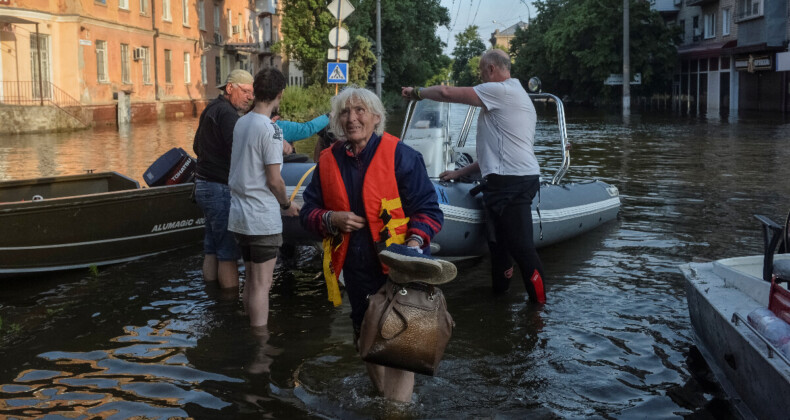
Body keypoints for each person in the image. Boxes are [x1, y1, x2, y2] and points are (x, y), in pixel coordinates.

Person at [299, 86, 443, 402]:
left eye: (360, 110)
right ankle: (382, 399)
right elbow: (308, 213)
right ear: (337, 120)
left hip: (402, 269)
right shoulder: (327, 161)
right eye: (345, 112)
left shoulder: (403, 156)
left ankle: (396, 410)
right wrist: (331, 218)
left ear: (376, 117)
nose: (352, 118)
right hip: (357, 270)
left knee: (400, 349)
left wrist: (415, 243)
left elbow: (430, 211)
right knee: (367, 344)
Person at [401, 49, 547, 304]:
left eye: (481, 72)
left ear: (491, 69)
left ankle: (540, 313)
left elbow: (447, 93)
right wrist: (460, 172)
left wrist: (417, 92)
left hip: (513, 184)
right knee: (499, 249)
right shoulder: (515, 95)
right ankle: (501, 302)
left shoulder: (500, 90)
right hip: (504, 181)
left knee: (523, 250)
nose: (480, 76)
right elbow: (496, 155)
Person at [228, 68, 300, 327]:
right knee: (262, 285)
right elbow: (274, 180)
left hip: (239, 216)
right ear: (280, 94)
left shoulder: (241, 123)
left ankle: (247, 331)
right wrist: (287, 205)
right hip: (261, 218)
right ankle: (260, 346)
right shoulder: (271, 130)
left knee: (251, 279)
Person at [193, 69, 254, 289]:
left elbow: (195, 147)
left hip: (203, 186)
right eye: (246, 91)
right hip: (219, 189)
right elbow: (237, 151)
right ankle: (229, 308)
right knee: (228, 252)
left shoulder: (211, 108)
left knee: (211, 248)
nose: (250, 97)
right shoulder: (228, 114)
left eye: (252, 93)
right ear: (230, 88)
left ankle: (212, 298)